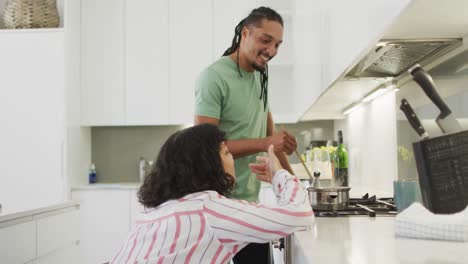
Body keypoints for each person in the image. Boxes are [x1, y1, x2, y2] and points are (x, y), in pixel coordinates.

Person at [110, 124, 313, 264]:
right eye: (226, 153)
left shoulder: (158, 210)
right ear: (209, 166)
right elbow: (300, 215)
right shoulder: (209, 209)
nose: (232, 158)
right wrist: (278, 174)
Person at [194, 6, 298, 262]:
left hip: (248, 203)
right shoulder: (213, 77)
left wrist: (294, 185)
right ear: (245, 33)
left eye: (277, 44)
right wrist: (266, 142)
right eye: (266, 40)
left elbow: (269, 130)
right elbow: (204, 147)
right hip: (219, 206)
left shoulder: (260, 76)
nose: (272, 51)